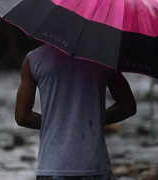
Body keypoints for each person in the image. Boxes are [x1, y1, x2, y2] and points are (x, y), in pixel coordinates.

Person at [15, 44, 136, 180]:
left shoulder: (34, 60)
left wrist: (55, 123)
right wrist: (94, 120)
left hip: (53, 165)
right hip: (94, 164)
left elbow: (22, 117)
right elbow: (128, 106)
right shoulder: (103, 58)